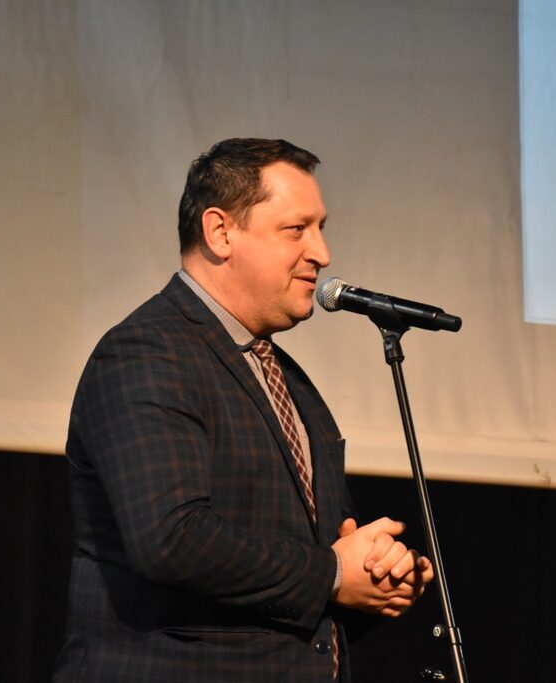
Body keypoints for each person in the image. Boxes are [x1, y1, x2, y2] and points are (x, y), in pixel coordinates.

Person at [53, 138, 434, 682]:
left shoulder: (285, 376)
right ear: (220, 232)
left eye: (321, 228)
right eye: (296, 229)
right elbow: (172, 540)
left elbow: (306, 571)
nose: (322, 253)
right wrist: (332, 572)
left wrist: (373, 575)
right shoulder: (147, 352)